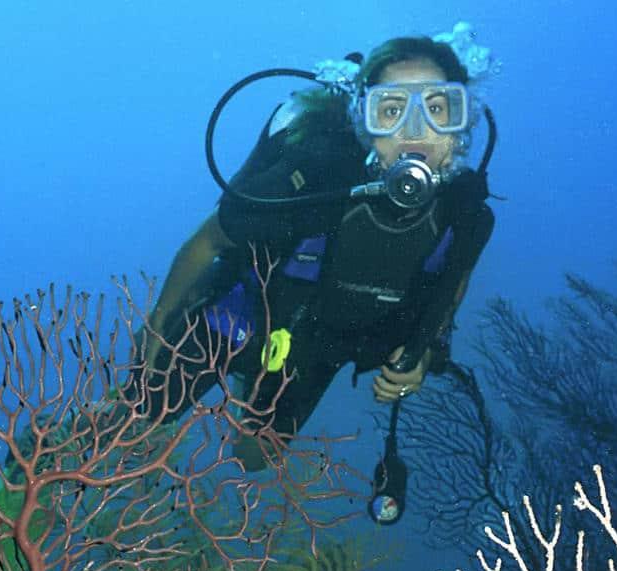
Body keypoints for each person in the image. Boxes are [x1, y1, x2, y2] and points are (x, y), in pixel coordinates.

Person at [138, 31, 497, 472]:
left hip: (323, 344)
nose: (416, 128)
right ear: (366, 125)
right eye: (391, 110)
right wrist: (156, 326)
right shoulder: (317, 176)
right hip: (249, 309)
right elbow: (208, 240)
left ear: (461, 127)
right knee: (139, 413)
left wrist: (425, 352)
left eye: (438, 108)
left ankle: (255, 382)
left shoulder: (464, 216)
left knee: (254, 458)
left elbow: (452, 284)